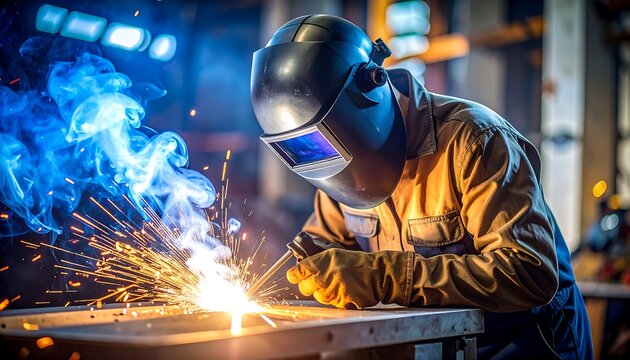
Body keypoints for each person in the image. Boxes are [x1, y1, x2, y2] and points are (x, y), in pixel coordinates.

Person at [250, 14, 593, 359]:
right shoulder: (328, 157)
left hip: (519, 346)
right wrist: (304, 273)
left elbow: (528, 272)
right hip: (436, 345)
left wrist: (385, 276)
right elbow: (324, 246)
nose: (324, 158)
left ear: (370, 92)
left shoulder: (474, 141)